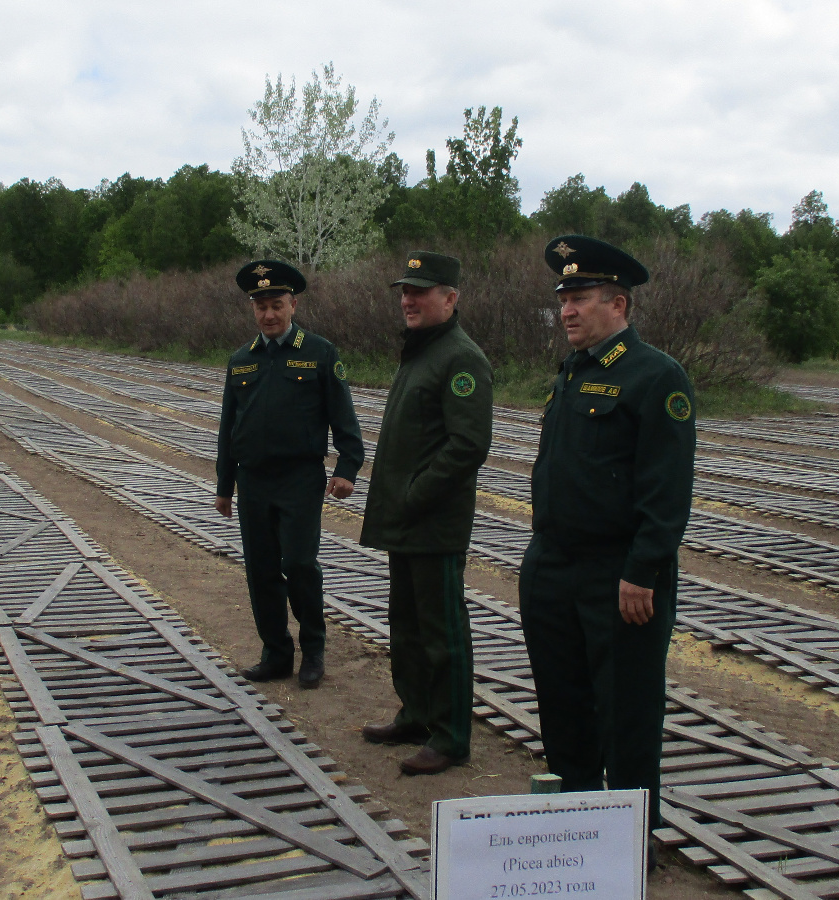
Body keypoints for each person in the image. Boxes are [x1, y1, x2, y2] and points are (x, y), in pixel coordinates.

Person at [519, 234, 696, 840]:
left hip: (617, 577)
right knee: (562, 711)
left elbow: (666, 492)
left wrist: (642, 570)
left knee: (626, 718)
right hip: (553, 566)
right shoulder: (570, 373)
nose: (566, 309)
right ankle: (574, 841)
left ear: (618, 305)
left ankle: (627, 851)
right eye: (563, 298)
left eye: (580, 297)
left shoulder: (655, 377)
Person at [358, 251, 494, 776]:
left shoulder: (461, 359)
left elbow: (467, 446)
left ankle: (452, 735)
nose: (409, 300)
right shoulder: (420, 352)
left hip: (432, 523)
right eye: (404, 292)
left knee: (442, 634)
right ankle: (416, 714)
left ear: (451, 298)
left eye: (421, 291)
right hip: (406, 521)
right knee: (408, 627)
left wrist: (415, 495)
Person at [216, 259, 364, 688]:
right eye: (261, 306)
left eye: (276, 304)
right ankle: (276, 652)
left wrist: (347, 468)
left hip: (300, 479)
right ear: (253, 309)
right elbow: (229, 428)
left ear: (292, 305)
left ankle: (312, 651)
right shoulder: (241, 360)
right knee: (261, 570)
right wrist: (225, 486)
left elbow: (344, 419)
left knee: (299, 564)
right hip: (254, 481)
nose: (269, 314)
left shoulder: (319, 352)